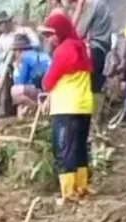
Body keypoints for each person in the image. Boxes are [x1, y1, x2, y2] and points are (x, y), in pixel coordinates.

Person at [38, 10, 93, 203]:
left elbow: (48, 81)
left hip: (66, 107)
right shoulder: (81, 47)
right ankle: (82, 187)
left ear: (60, 32)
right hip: (84, 106)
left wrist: (45, 86)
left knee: (64, 150)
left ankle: (68, 193)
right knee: (79, 149)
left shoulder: (63, 50)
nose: (49, 40)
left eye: (51, 35)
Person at [66, 0, 112, 129]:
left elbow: (77, 32)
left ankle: (87, 123)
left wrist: (78, 9)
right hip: (102, 50)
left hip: (92, 49)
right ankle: (95, 123)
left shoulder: (90, 4)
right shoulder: (102, 5)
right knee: (96, 87)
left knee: (88, 86)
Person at [10, 34, 52, 117]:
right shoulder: (43, 54)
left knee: (14, 91)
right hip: (50, 86)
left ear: (18, 50)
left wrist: (16, 69)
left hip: (41, 88)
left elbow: (20, 81)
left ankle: (36, 106)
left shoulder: (24, 58)